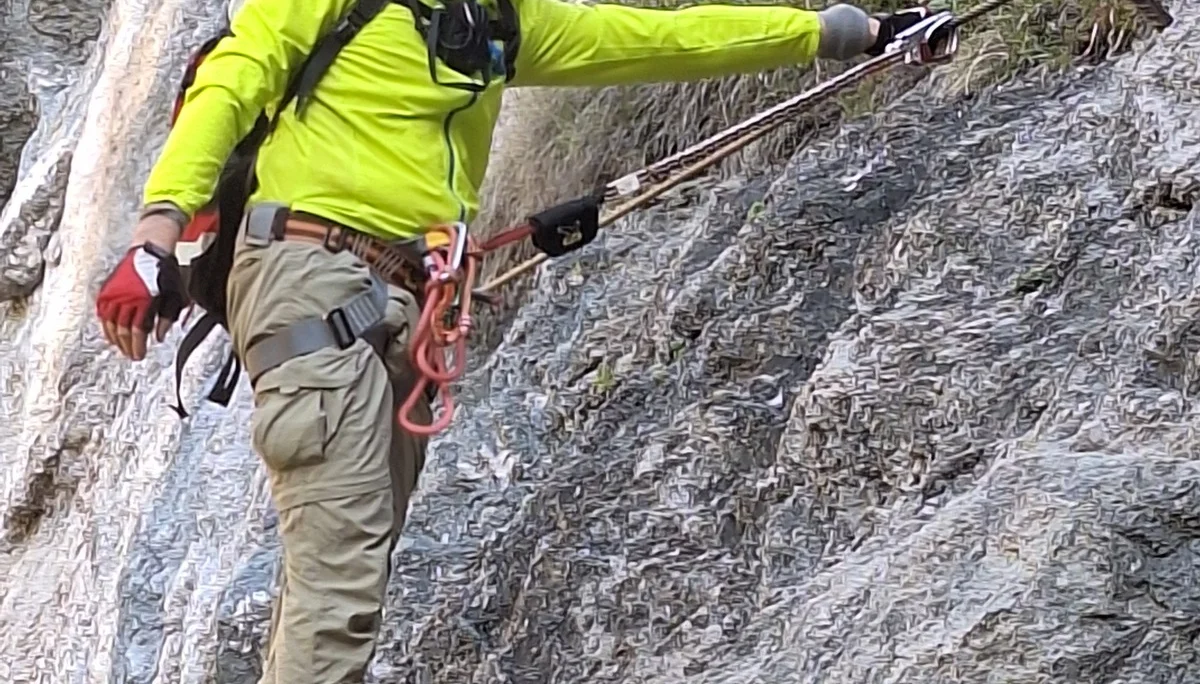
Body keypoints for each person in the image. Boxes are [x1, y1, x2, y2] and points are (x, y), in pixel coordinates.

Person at [93, 0, 943, 680]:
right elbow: (231, 86)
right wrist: (153, 235)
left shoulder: (497, 23)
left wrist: (847, 33)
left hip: (400, 299)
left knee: (342, 566)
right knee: (341, 572)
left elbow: (661, 38)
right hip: (311, 277)